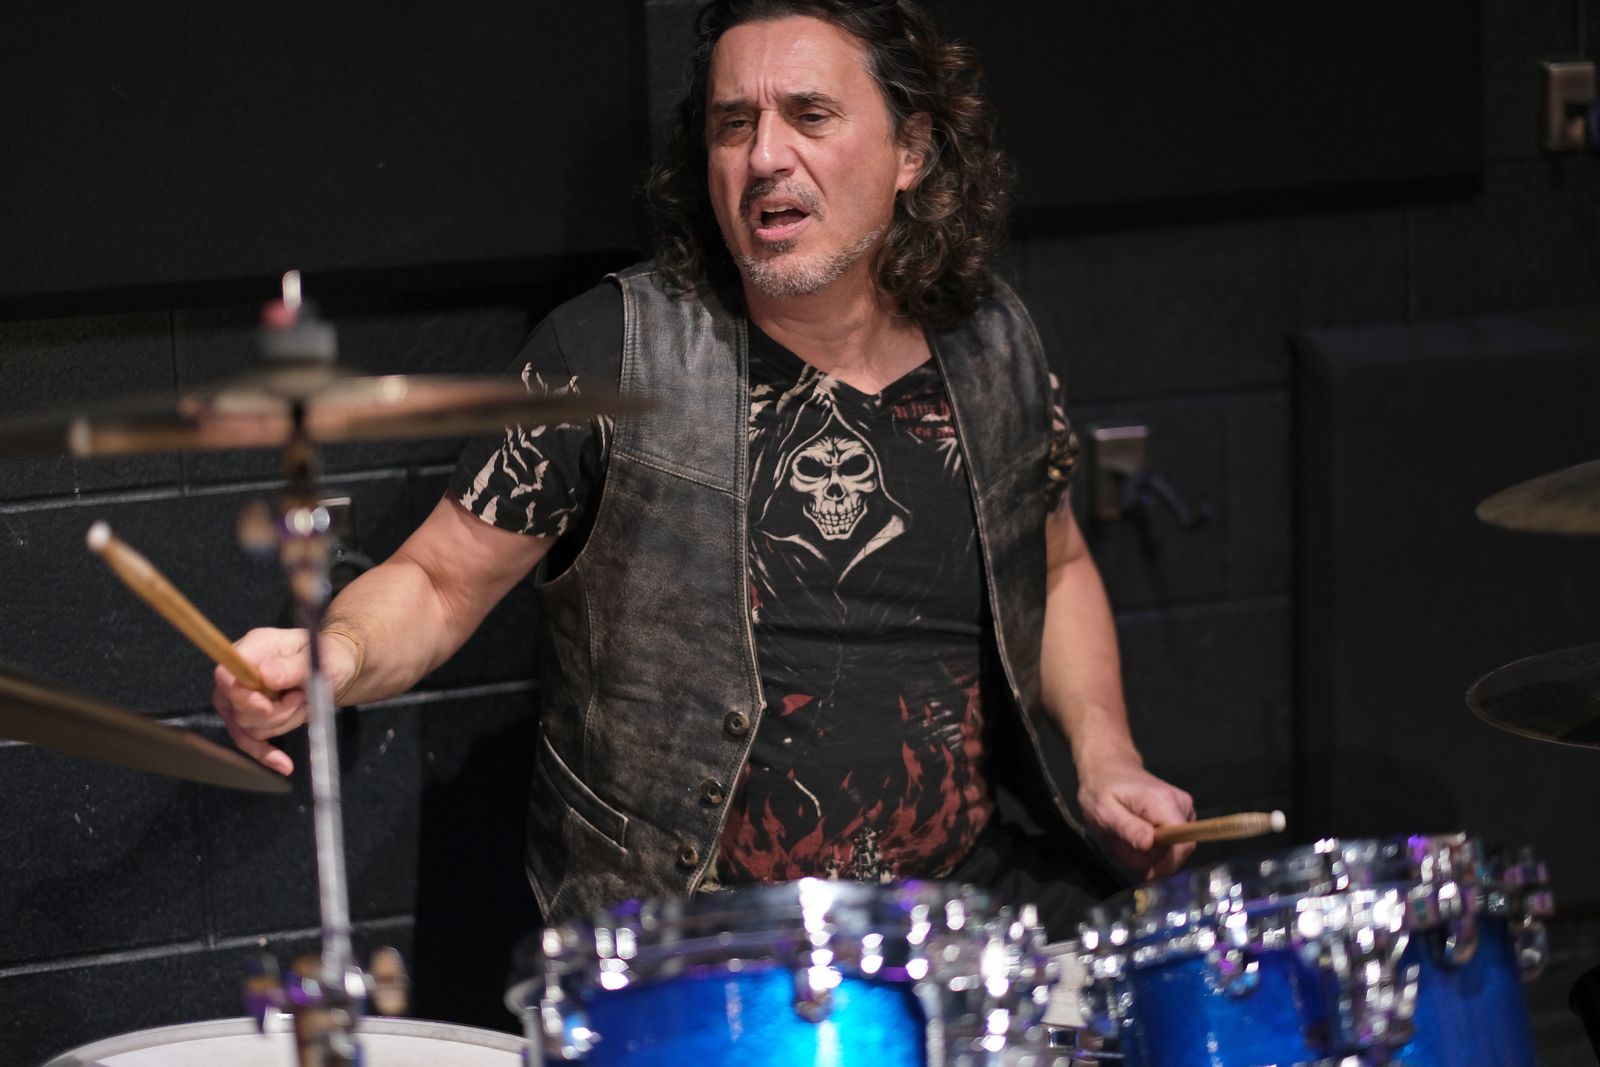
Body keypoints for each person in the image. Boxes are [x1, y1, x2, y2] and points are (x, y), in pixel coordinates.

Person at [212, 0, 1195, 938]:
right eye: (734, 124)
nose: (764, 156)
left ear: (913, 149)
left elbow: (1056, 563)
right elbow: (435, 582)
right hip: (693, 940)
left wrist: (1108, 757)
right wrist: (335, 652)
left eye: (809, 116)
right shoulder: (606, 356)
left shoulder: (993, 345)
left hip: (956, 913)